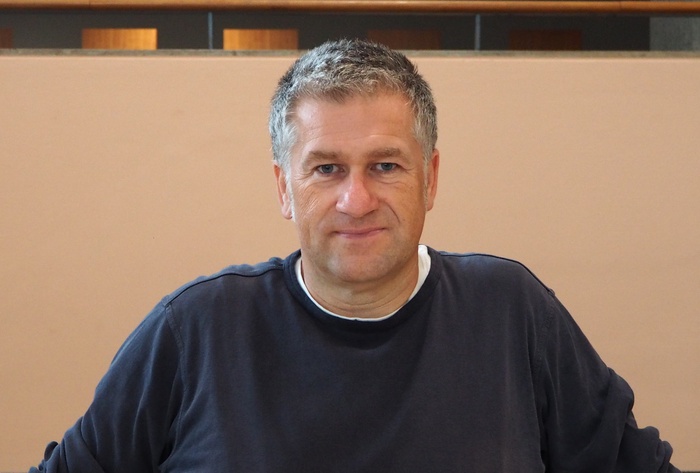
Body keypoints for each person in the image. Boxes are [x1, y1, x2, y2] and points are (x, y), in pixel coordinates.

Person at [31, 39, 679, 472]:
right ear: (284, 188)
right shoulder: (196, 328)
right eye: (326, 168)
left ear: (430, 178)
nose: (356, 199)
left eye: (385, 165)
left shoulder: (511, 310)